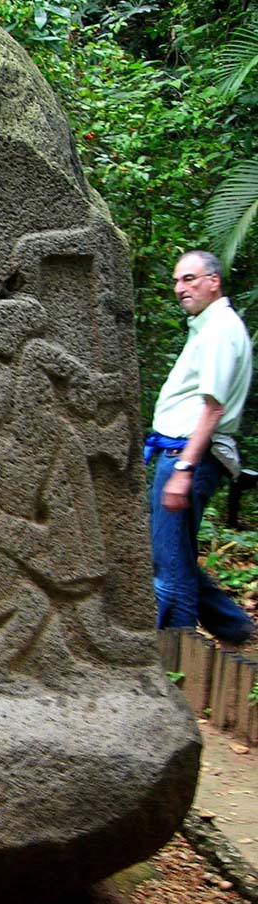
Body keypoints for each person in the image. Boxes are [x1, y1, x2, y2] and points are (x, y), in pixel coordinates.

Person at [146, 250, 254, 644]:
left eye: (189, 279)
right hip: (181, 454)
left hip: (188, 455)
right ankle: (233, 625)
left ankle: (174, 661)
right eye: (176, 280)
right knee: (170, 554)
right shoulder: (208, 327)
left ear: (214, 281)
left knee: (169, 568)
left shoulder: (220, 330)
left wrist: (184, 469)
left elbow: (213, 407)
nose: (180, 288)